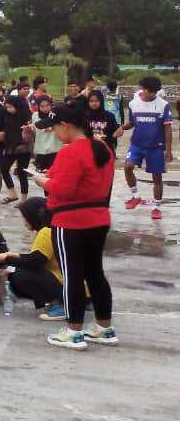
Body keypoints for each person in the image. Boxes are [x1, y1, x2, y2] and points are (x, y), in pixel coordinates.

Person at [39, 101, 118, 350]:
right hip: (99, 218)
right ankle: (104, 327)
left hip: (70, 221)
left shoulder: (70, 151)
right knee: (95, 273)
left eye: (53, 127)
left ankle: (73, 330)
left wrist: (43, 181)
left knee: (72, 275)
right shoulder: (102, 147)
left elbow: (63, 190)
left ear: (65, 125)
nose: (53, 132)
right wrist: (53, 175)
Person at [0, 198, 67, 321]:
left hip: (66, 285)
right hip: (71, 285)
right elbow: (37, 257)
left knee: (18, 275)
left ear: (33, 217)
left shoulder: (46, 232)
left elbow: (35, 263)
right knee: (16, 273)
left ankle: (61, 306)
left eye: (25, 217)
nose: (24, 221)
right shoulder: (52, 229)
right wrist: (14, 255)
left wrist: (7, 259)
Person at [116, 75, 172, 220]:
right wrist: (122, 128)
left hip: (156, 147)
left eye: (155, 92)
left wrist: (169, 149)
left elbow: (167, 128)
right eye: (150, 91)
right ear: (143, 89)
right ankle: (136, 196)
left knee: (156, 177)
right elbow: (132, 122)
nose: (153, 94)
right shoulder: (134, 103)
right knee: (127, 167)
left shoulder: (163, 105)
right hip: (137, 144)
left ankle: (157, 207)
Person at [0, 95, 32, 204]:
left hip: (23, 148)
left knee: (22, 173)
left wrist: (27, 129)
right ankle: (12, 194)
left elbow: (31, 130)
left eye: (11, 107)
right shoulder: (6, 116)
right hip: (10, 147)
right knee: (4, 168)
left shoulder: (25, 116)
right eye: (7, 107)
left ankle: (23, 199)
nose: (9, 109)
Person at [33, 95, 66, 172]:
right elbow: (37, 128)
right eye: (42, 106)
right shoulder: (35, 115)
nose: (45, 108)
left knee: (53, 174)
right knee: (41, 175)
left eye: (48, 105)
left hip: (55, 149)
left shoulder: (56, 115)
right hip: (40, 150)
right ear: (38, 106)